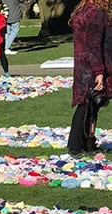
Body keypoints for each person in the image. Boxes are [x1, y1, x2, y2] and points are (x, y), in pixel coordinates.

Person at [67, 0, 112, 156]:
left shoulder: (86, 9)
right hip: (93, 65)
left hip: (85, 64)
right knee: (87, 105)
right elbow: (94, 44)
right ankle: (75, 145)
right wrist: (99, 71)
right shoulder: (95, 12)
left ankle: (88, 143)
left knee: (92, 105)